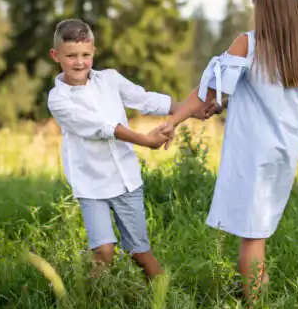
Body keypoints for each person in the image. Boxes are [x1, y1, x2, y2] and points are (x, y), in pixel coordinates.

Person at [160, 0, 298, 302]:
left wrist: (174, 119)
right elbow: (265, 94)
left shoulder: (248, 42)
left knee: (251, 236)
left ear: (265, 6)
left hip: (254, 152)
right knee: (258, 229)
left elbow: (208, 91)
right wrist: (223, 103)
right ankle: (260, 293)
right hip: (283, 153)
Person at [46, 18, 214, 280]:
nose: (79, 62)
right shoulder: (58, 99)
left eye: (85, 55)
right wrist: (145, 140)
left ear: (94, 51)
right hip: (91, 186)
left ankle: (165, 304)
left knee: (140, 252)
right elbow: (100, 127)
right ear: (56, 55)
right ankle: (86, 308)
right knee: (103, 252)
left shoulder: (110, 79)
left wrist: (189, 110)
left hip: (126, 180)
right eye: (71, 56)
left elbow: (144, 98)